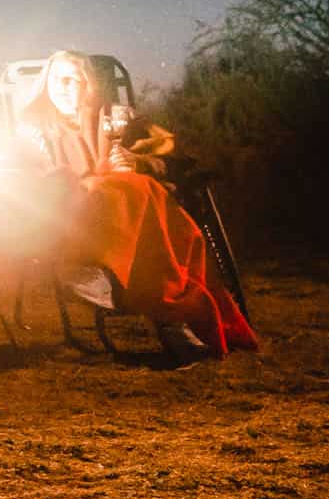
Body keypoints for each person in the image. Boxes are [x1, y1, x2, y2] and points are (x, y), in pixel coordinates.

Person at [15, 50, 257, 360]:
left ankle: (171, 315)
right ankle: (173, 319)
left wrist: (139, 161)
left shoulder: (117, 118)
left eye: (70, 79)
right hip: (78, 218)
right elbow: (35, 182)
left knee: (135, 188)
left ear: (87, 85)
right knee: (123, 190)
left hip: (133, 217)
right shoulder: (34, 128)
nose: (60, 86)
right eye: (53, 80)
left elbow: (173, 154)